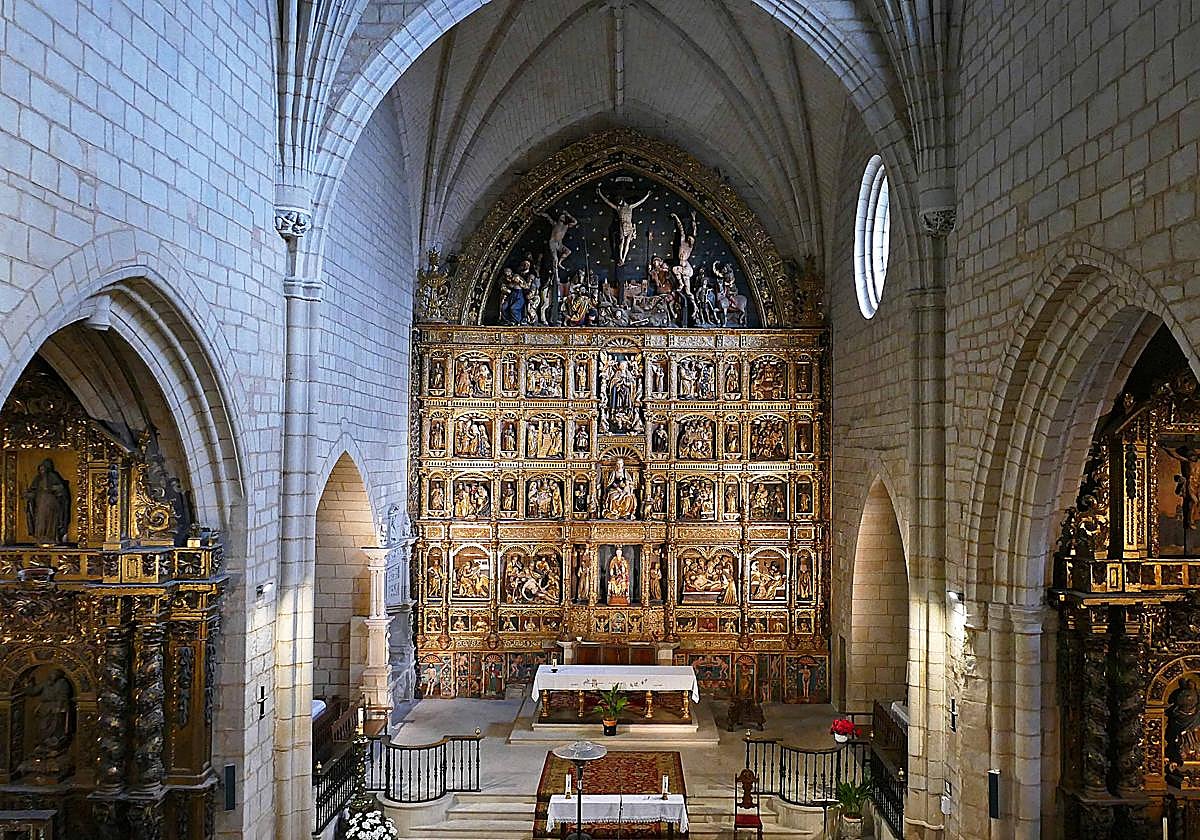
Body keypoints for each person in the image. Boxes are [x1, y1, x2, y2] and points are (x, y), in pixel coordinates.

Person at [597, 187, 651, 265]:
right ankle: (620, 257)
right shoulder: (618, 208)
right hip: (622, 226)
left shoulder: (630, 207)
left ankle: (623, 258)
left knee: (627, 243)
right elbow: (607, 202)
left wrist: (647, 195)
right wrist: (600, 194)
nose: (619, 204)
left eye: (620, 202)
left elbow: (640, 202)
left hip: (629, 226)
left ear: (622, 200)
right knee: (621, 242)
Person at [24, 458, 70, 544]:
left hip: (51, 502)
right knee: (40, 520)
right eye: (40, 469)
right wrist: (28, 495)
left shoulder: (53, 476)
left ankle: (51, 537)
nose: (41, 471)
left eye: (43, 469)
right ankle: (40, 537)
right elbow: (34, 492)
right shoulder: (37, 479)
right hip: (40, 503)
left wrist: (52, 489)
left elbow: (61, 489)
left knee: (51, 521)